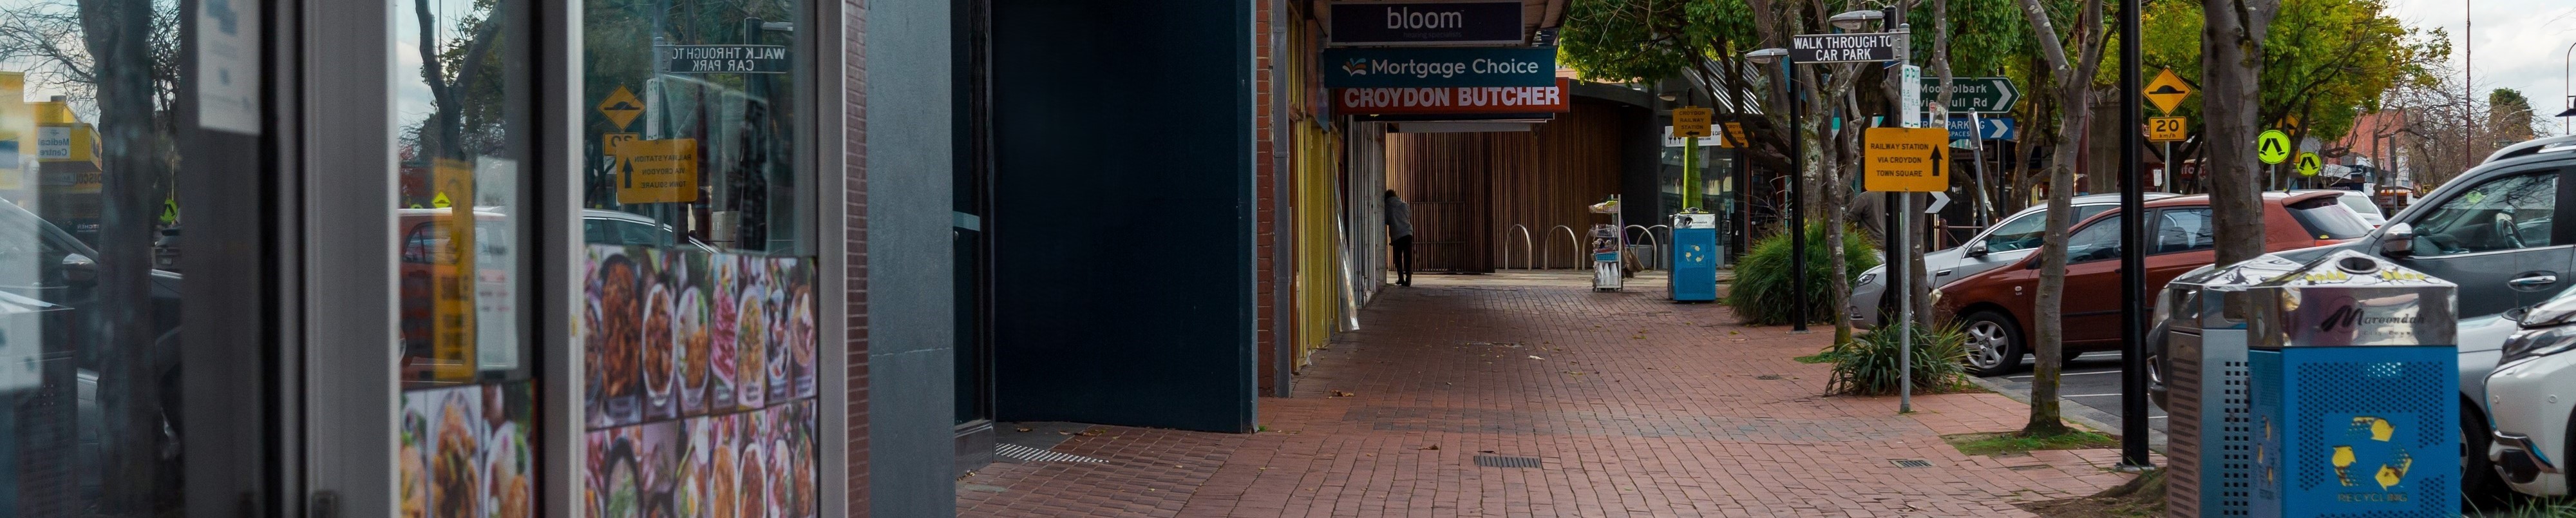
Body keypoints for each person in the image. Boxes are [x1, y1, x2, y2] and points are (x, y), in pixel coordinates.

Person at [1385, 189, 1414, 287]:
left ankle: (1401, 278)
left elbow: (1386, 220)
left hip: (1396, 234)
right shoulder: (1404, 204)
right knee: (1408, 256)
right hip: (1407, 233)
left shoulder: (1387, 207)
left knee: (1398, 257)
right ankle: (1409, 279)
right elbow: (1409, 216)